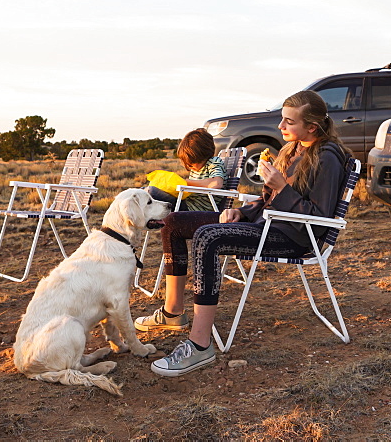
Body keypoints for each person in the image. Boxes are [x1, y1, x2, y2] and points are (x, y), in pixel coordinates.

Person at [135, 90, 352, 377]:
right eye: (281, 119)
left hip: (294, 238)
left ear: (311, 127)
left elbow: (319, 218)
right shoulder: (293, 150)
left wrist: (281, 188)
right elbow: (267, 202)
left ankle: (200, 345)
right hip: (265, 223)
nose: (280, 127)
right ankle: (173, 313)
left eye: (289, 121)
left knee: (209, 236)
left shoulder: (327, 158)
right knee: (174, 222)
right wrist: (242, 212)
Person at [146, 129, 226, 212]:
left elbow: (216, 183)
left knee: (152, 191)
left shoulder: (213, 162)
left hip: (197, 209)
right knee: (145, 190)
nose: (189, 167)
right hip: (188, 202)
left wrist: (186, 183)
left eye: (191, 163)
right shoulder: (197, 168)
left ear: (203, 156)